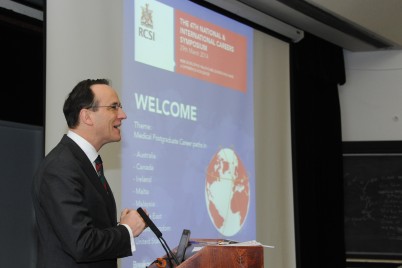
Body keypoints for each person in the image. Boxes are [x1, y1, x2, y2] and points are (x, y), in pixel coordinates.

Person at [32, 79, 147, 268]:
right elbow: (81, 243)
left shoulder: (83, 163)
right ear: (87, 116)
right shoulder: (60, 167)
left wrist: (120, 226)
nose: (123, 115)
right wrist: (126, 230)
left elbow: (86, 231)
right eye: (113, 107)